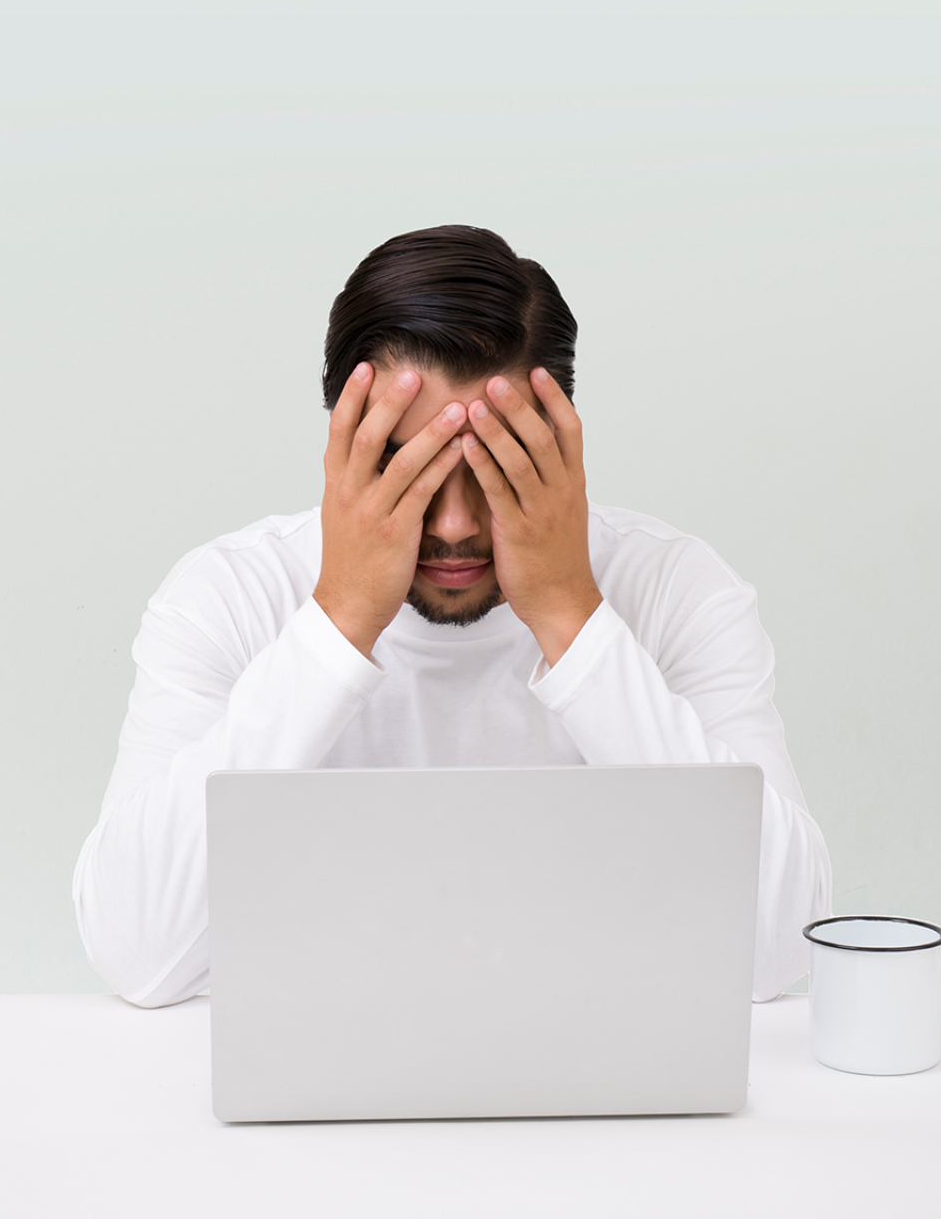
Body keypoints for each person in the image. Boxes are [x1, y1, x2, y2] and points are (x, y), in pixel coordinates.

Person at [73, 224, 831, 1009]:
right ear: (341, 444)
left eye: (496, 465)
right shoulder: (229, 596)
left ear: (561, 440)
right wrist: (336, 623)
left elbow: (778, 951)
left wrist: (573, 617)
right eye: (410, 468)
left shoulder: (675, 588)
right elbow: (140, 954)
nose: (459, 525)